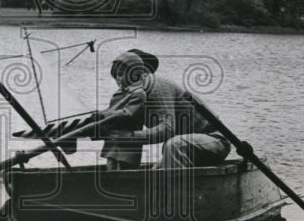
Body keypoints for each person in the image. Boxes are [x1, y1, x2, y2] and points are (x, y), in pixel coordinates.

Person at [98, 51, 230, 171]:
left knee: (175, 144)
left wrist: (130, 137)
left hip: (214, 141)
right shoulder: (133, 95)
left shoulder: (159, 87)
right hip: (184, 149)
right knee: (124, 130)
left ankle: (175, 190)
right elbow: (118, 125)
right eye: (117, 75)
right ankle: (122, 176)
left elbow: (167, 129)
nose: (119, 82)